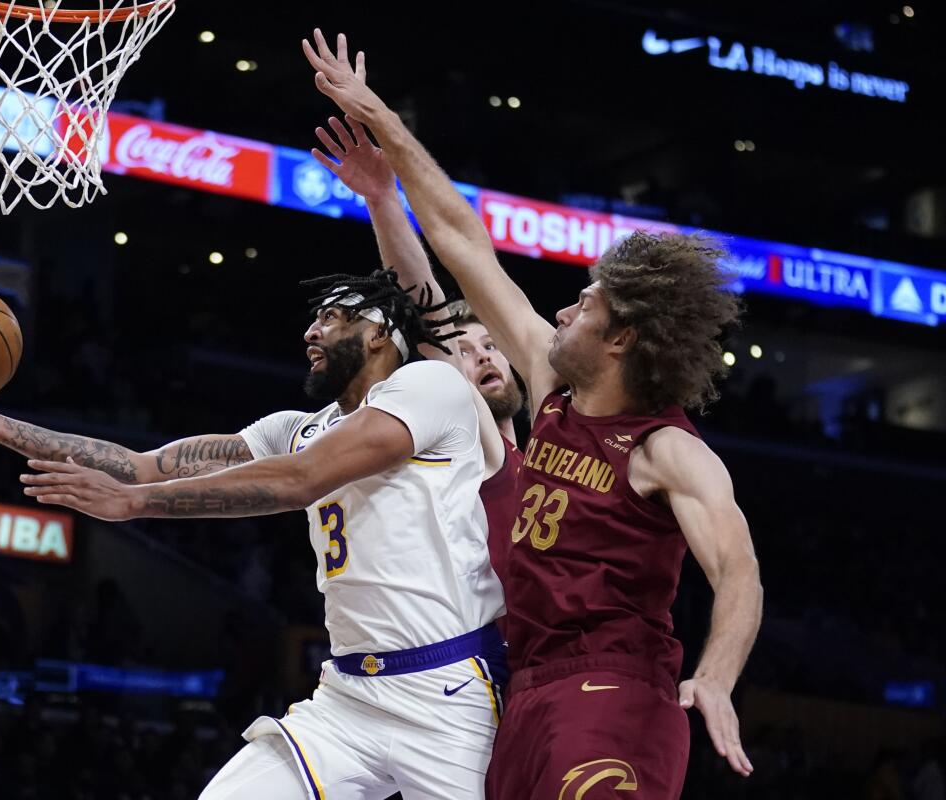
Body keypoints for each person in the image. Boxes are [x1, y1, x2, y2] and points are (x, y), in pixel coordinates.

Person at [303, 29, 764, 798]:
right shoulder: (551, 396)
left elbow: (738, 570)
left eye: (583, 306)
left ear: (621, 338)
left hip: (614, 692)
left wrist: (716, 678)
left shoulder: (666, 450)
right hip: (521, 692)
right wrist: (379, 116)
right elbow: (459, 243)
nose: (561, 310)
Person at [0, 269, 507, 799]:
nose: (310, 334)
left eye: (330, 317)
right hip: (350, 696)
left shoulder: (431, 387)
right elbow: (140, 465)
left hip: (447, 691)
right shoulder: (297, 429)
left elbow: (302, 480)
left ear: (379, 333)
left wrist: (136, 504)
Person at [310, 114, 524, 582]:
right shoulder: (468, 445)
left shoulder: (544, 458)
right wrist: (383, 199)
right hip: (470, 648)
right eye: (464, 351)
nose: (483, 355)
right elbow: (425, 307)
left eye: (490, 344)